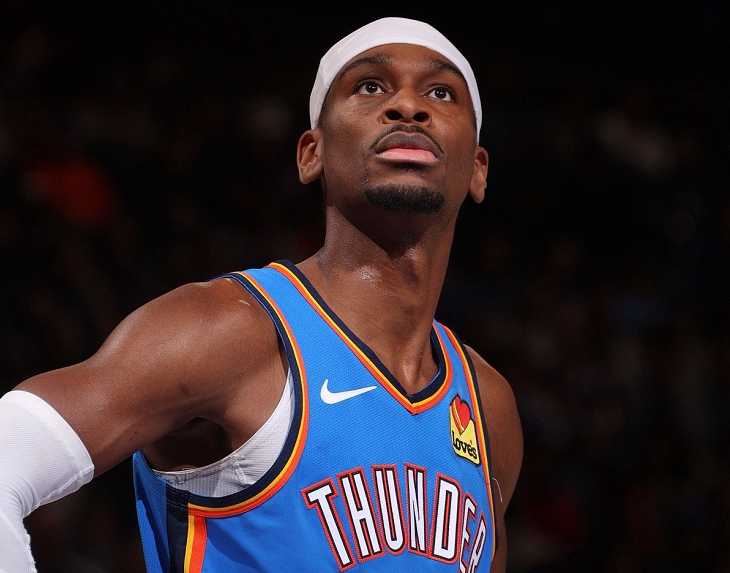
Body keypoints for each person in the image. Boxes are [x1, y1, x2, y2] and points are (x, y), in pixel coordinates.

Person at [0, 16, 523, 573]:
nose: (408, 107)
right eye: (371, 86)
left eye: (440, 93)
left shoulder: (488, 406)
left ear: (478, 169)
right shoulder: (231, 329)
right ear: (311, 153)